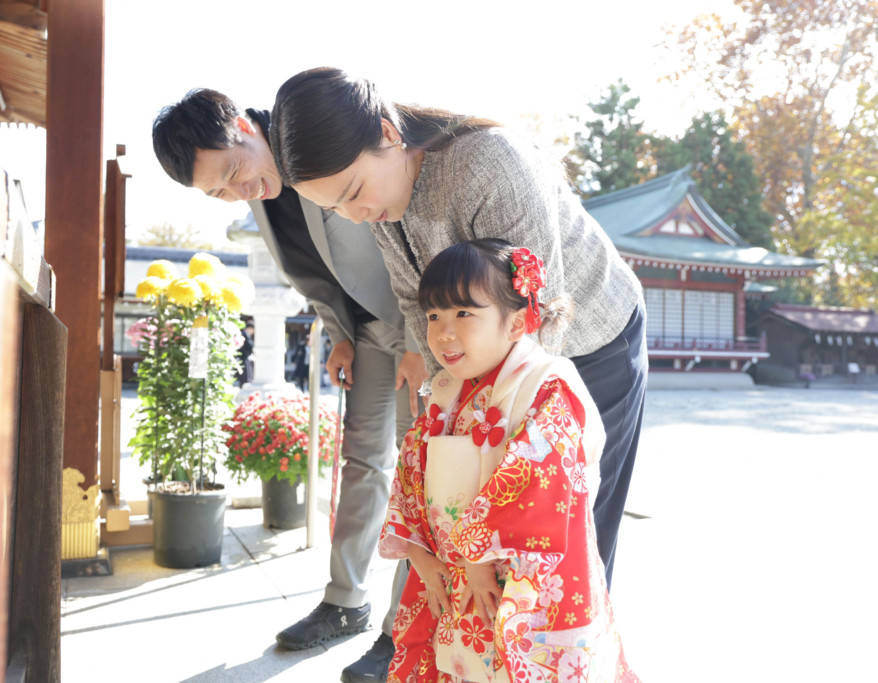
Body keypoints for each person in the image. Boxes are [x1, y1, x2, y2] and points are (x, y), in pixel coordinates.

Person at [270, 67, 647, 587]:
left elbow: (537, 319)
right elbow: (412, 302)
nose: (355, 215)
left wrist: (497, 442)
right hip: (500, 351)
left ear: (386, 133)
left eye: (353, 191)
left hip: (582, 341)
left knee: (565, 533)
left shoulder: (490, 163)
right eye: (335, 208)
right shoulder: (381, 204)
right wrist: (442, 405)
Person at [152, 88, 428, 683]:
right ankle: (345, 602)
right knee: (362, 464)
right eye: (218, 191)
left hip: (415, 322)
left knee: (417, 474)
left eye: (232, 171)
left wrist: (417, 340)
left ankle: (403, 632)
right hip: (364, 328)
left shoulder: (314, 135)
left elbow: (401, 228)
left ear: (242, 124)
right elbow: (315, 270)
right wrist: (341, 334)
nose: (237, 191)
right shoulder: (257, 189)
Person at [379, 239, 639, 682]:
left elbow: (541, 476)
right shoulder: (445, 392)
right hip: (452, 571)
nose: (444, 332)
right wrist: (421, 558)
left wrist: (479, 558)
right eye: (434, 316)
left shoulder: (547, 386)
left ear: (517, 322)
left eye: (464, 314)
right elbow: (412, 474)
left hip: (521, 577)